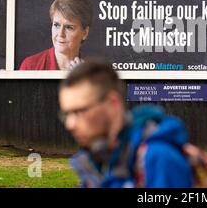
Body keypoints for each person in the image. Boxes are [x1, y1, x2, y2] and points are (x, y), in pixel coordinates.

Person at [58, 59, 194, 188]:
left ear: (113, 103)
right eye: (67, 114)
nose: (70, 124)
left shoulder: (158, 158)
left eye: (79, 111)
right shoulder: (95, 162)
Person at [19, 0, 93, 70]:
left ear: (85, 33)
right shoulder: (31, 66)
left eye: (69, 27)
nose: (60, 34)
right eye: (56, 25)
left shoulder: (94, 73)